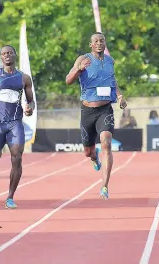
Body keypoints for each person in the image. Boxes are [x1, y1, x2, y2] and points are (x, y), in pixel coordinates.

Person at [66, 32, 127, 200]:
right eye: (96, 41)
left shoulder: (110, 61)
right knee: (88, 152)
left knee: (106, 142)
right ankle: (94, 158)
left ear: (105, 43)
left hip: (105, 109)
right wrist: (78, 70)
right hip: (87, 110)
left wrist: (120, 96)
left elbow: (112, 81)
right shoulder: (83, 59)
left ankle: (104, 186)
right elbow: (68, 80)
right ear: (90, 44)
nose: (99, 43)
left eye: (102, 41)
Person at [0, 45, 35, 209]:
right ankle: (0, 148)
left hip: (15, 124)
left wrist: (30, 107)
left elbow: (30, 100)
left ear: (15, 55)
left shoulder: (24, 78)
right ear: (1, 57)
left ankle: (10, 197)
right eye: (4, 54)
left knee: (17, 157)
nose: (7, 55)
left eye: (10, 53)